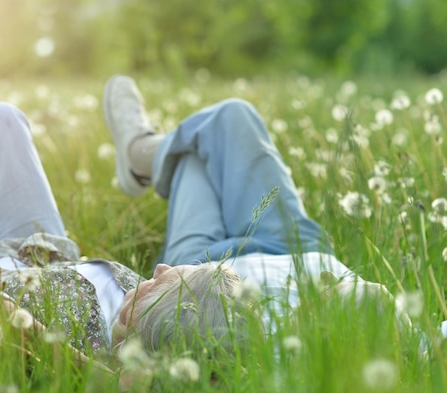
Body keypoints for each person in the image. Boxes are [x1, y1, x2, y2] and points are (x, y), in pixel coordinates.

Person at [0, 96, 253, 357]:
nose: (160, 267)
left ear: (155, 318)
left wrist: (82, 369)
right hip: (37, 249)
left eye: (167, 281)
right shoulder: (132, 291)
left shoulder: (81, 351)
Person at [101, 75, 412, 335]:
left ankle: (141, 152)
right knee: (234, 114)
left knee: (194, 154)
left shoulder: (262, 367)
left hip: (200, 281)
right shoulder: (424, 350)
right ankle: (142, 155)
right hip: (301, 251)